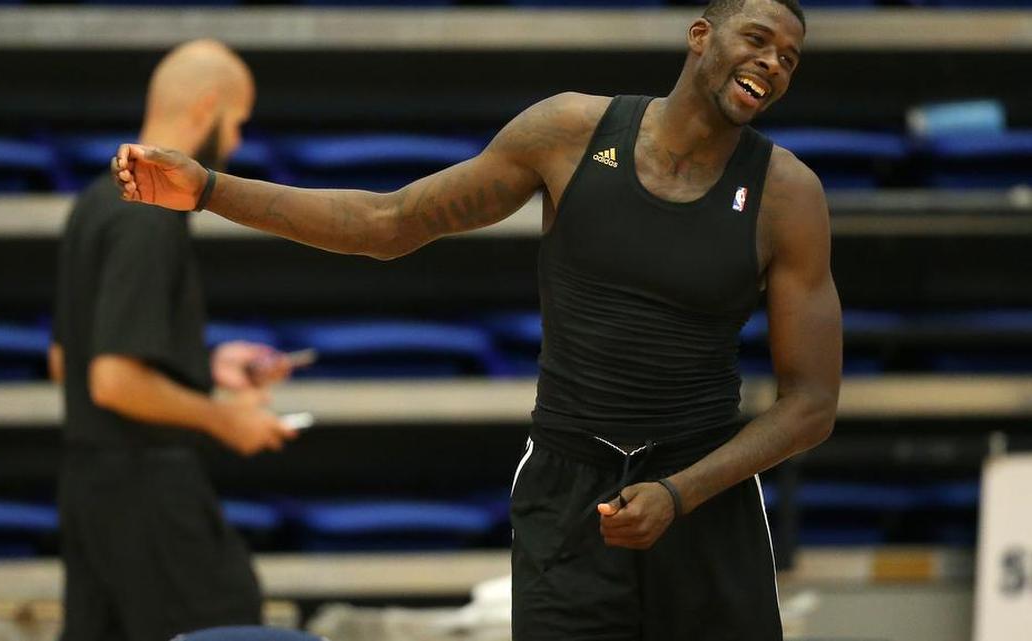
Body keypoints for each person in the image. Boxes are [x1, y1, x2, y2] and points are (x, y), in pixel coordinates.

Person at [111, 1, 840, 638]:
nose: (772, 63)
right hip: (569, 492)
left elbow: (811, 404)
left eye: (790, 58)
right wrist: (209, 189)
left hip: (704, 497)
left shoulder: (787, 195)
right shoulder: (570, 132)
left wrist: (681, 493)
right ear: (701, 36)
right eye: (757, 39)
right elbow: (387, 222)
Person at [49, 40, 301, 641]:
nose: (235, 141)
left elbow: (66, 359)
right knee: (228, 624)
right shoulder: (149, 212)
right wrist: (225, 419)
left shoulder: (97, 199)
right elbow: (113, 381)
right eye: (236, 122)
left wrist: (203, 365)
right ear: (207, 107)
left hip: (90, 493)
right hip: (148, 495)